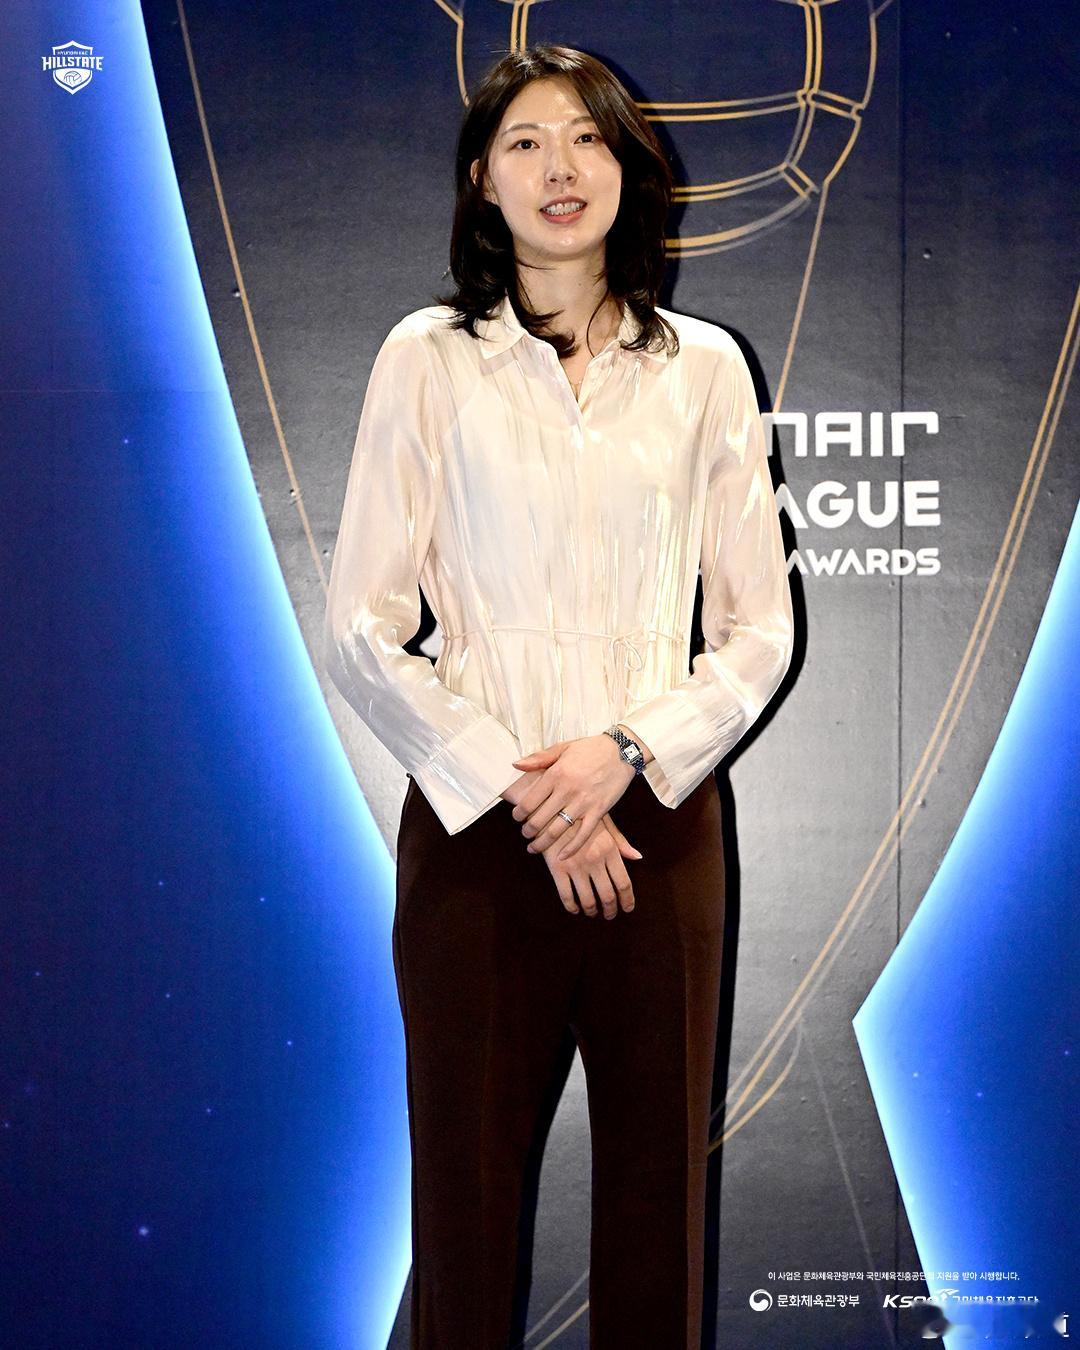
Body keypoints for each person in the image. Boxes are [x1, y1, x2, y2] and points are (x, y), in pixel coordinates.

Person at [323, 43, 794, 1350]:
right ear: (483, 179)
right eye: (526, 142)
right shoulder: (428, 358)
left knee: (658, 1211)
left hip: (661, 828)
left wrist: (624, 755)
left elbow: (759, 629)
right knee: (463, 1212)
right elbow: (361, 626)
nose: (560, 167)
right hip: (477, 837)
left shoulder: (705, 367)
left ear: (630, 170)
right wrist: (523, 784)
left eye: (587, 138)